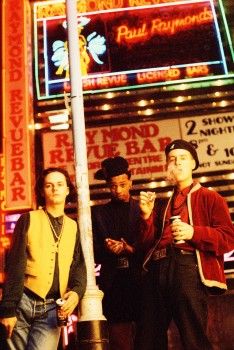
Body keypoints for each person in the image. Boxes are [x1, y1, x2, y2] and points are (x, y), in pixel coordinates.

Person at [137, 139, 234, 350]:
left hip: (187, 268)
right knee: (147, 339)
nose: (177, 163)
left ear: (193, 164)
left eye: (183, 158)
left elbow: (228, 238)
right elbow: (146, 244)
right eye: (172, 159)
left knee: (193, 338)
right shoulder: (163, 203)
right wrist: (146, 216)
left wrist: (194, 232)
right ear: (167, 167)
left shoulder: (211, 198)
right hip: (157, 269)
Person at [0, 167, 87, 350]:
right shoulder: (27, 219)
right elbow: (15, 265)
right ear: (42, 190)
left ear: (67, 189)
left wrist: (77, 292)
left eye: (59, 184)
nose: (55, 189)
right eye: (49, 185)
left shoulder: (74, 227)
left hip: (51, 309)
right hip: (22, 302)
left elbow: (78, 265)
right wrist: (7, 309)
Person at [91, 156, 142, 350]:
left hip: (141, 280)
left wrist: (131, 249)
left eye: (122, 184)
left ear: (130, 180)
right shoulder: (98, 214)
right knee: (119, 342)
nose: (118, 190)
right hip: (112, 284)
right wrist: (107, 250)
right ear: (107, 186)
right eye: (113, 186)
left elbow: (154, 245)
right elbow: (92, 252)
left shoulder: (142, 209)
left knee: (146, 338)